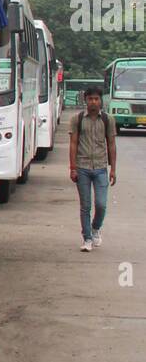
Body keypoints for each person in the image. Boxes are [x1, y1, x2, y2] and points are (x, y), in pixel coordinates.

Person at [69, 86, 117, 251]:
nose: (94, 102)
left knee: (101, 204)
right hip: (82, 168)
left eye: (96, 99)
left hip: (101, 168)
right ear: (86, 100)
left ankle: (96, 228)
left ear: (100, 100)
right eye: (90, 99)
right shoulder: (78, 119)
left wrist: (113, 169)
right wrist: (73, 167)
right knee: (85, 205)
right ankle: (87, 238)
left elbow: (111, 144)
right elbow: (73, 143)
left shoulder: (107, 119)